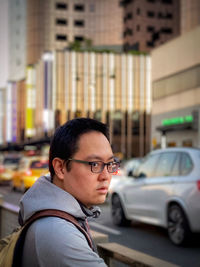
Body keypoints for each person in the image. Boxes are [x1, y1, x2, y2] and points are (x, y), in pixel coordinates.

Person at [18, 118, 120, 267]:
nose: (105, 176)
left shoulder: (56, 214)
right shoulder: (58, 234)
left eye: (110, 163)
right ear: (60, 168)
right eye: (94, 164)